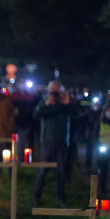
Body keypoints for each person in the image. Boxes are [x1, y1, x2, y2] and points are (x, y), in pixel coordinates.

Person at [32, 80, 76, 208]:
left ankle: (60, 199)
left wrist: (67, 103)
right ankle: (36, 196)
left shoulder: (66, 105)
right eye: (52, 92)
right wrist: (45, 105)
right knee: (42, 171)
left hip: (62, 142)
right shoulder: (45, 103)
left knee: (61, 172)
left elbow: (76, 114)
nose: (55, 95)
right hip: (47, 141)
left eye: (57, 92)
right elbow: (36, 116)